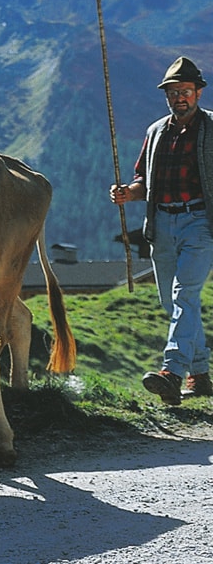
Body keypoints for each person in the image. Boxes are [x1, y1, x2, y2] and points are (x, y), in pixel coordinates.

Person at [110, 56, 213, 405]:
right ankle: (201, 376)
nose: (179, 98)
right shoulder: (156, 132)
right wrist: (128, 193)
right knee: (172, 301)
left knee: (185, 294)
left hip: (200, 222)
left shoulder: (212, 128)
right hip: (161, 223)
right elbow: (144, 181)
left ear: (198, 92)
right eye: (173, 92)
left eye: (185, 91)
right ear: (167, 95)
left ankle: (172, 372)